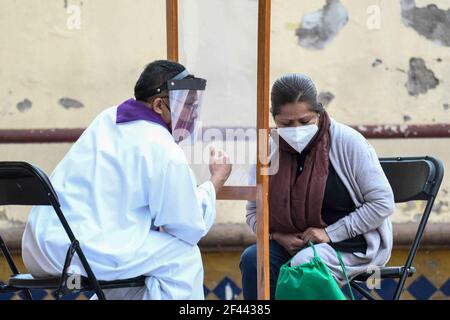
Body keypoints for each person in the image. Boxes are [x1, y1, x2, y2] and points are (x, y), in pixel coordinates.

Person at [22, 60, 232, 300]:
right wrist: (216, 180)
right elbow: (188, 226)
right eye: (185, 105)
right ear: (159, 105)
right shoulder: (162, 148)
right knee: (182, 257)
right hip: (82, 253)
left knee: (139, 262)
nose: (192, 113)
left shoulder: (105, 119)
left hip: (40, 247)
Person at [240, 73, 394, 299]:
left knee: (305, 265)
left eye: (305, 121)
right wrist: (277, 236)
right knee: (254, 260)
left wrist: (330, 233)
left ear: (319, 113)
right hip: (290, 244)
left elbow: (382, 204)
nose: (296, 129)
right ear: (274, 119)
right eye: (286, 123)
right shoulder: (268, 149)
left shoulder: (348, 142)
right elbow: (254, 212)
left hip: (348, 244)